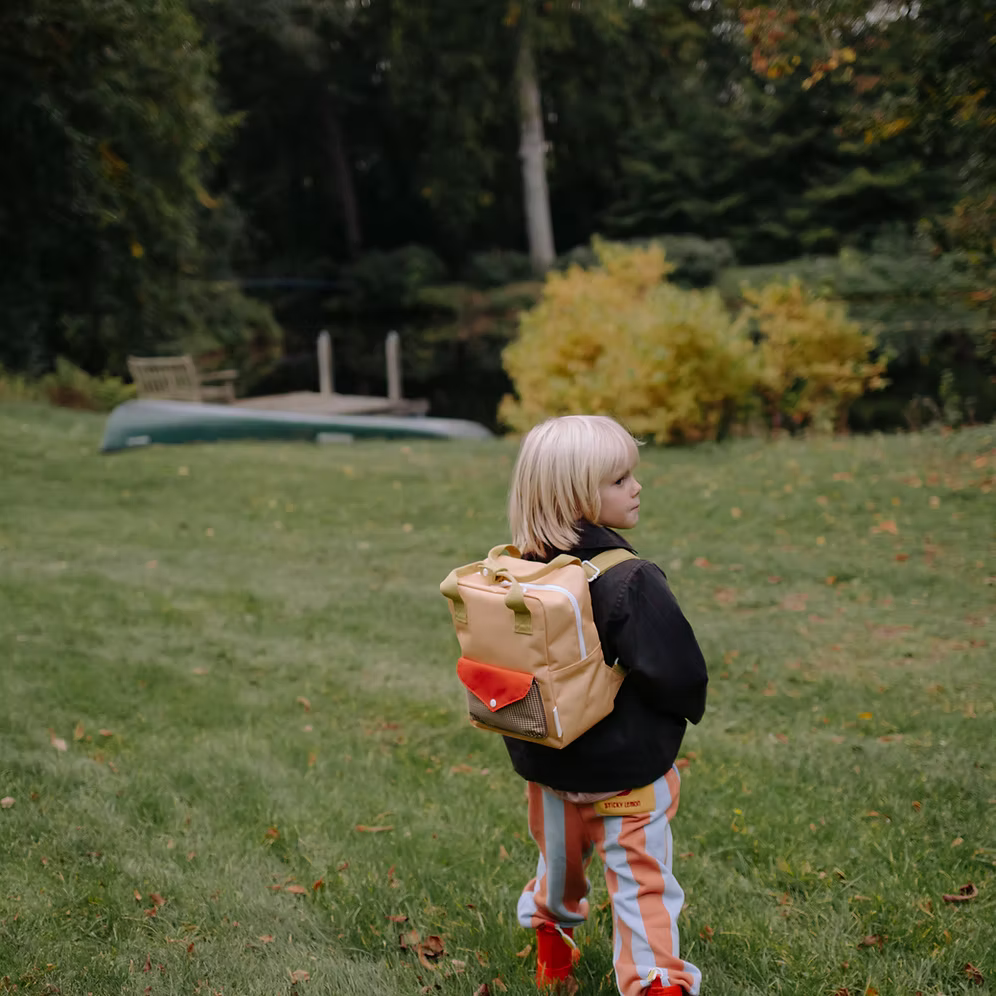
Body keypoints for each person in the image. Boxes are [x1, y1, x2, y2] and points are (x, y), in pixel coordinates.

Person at [504, 415, 708, 995]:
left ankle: (551, 941)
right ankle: (655, 983)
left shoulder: (518, 571)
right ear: (576, 496)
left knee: (560, 868)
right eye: (619, 479)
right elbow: (679, 672)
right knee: (641, 882)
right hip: (628, 773)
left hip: (547, 765)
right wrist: (680, 710)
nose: (636, 487)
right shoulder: (630, 579)